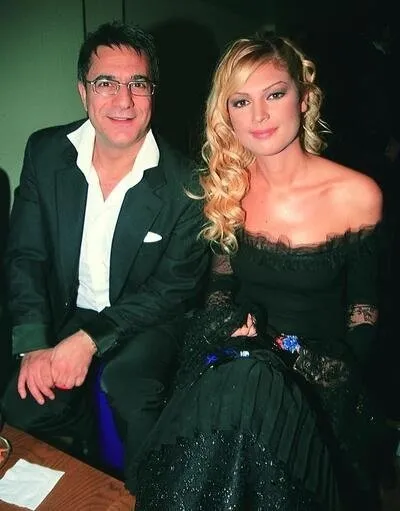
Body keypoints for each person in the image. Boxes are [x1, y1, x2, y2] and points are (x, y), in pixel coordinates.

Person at [133, 34, 386, 510]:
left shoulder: (357, 195)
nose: (259, 116)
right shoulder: (228, 189)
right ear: (226, 114)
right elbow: (222, 284)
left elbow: (364, 310)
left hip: (321, 377)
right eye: (241, 102)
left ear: (303, 98)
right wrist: (229, 327)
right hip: (241, 360)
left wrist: (323, 368)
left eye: (274, 94)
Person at [1, 21, 209, 495]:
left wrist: (89, 341)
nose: (124, 100)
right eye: (106, 83)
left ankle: (150, 495)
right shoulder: (45, 152)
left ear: (153, 93)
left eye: (138, 83)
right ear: (83, 91)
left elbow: (172, 290)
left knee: (129, 388)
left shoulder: (188, 183)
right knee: (21, 407)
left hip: (146, 318)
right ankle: (81, 466)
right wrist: (34, 344)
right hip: (66, 311)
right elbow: (26, 256)